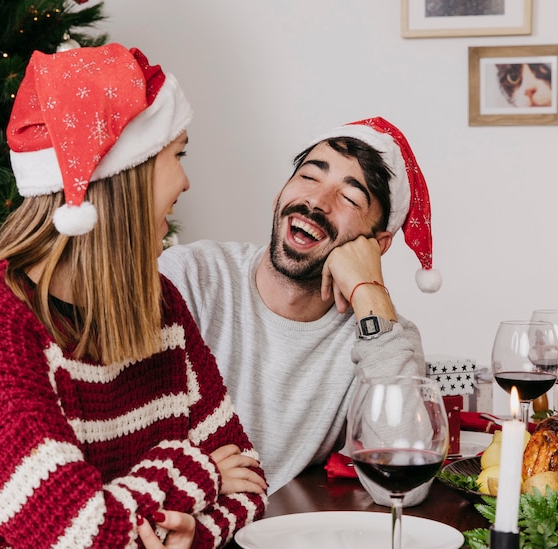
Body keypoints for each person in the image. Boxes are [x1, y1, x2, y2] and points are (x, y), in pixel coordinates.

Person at [0, 43, 267, 549]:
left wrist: (187, 541)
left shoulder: (157, 305)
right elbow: (88, 548)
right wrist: (197, 471)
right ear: (120, 177)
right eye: (175, 155)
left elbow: (249, 481)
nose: (184, 182)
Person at [159, 116, 442, 495]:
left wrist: (370, 294)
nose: (316, 201)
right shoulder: (189, 277)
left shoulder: (383, 334)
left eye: (351, 196)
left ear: (378, 244)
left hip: (282, 541)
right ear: (280, 195)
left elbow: (405, 489)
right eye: (309, 177)